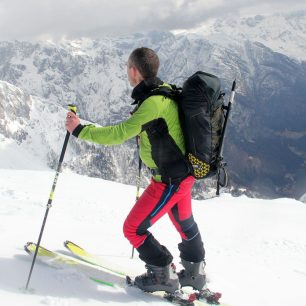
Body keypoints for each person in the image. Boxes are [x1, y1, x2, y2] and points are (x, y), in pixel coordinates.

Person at [66, 47, 206, 293]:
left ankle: (163, 273)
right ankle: (195, 273)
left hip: (169, 181)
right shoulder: (164, 92)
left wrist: (80, 130)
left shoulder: (152, 103)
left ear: (133, 70)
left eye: (127, 67)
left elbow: (119, 133)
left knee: (133, 228)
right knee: (185, 223)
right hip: (183, 177)